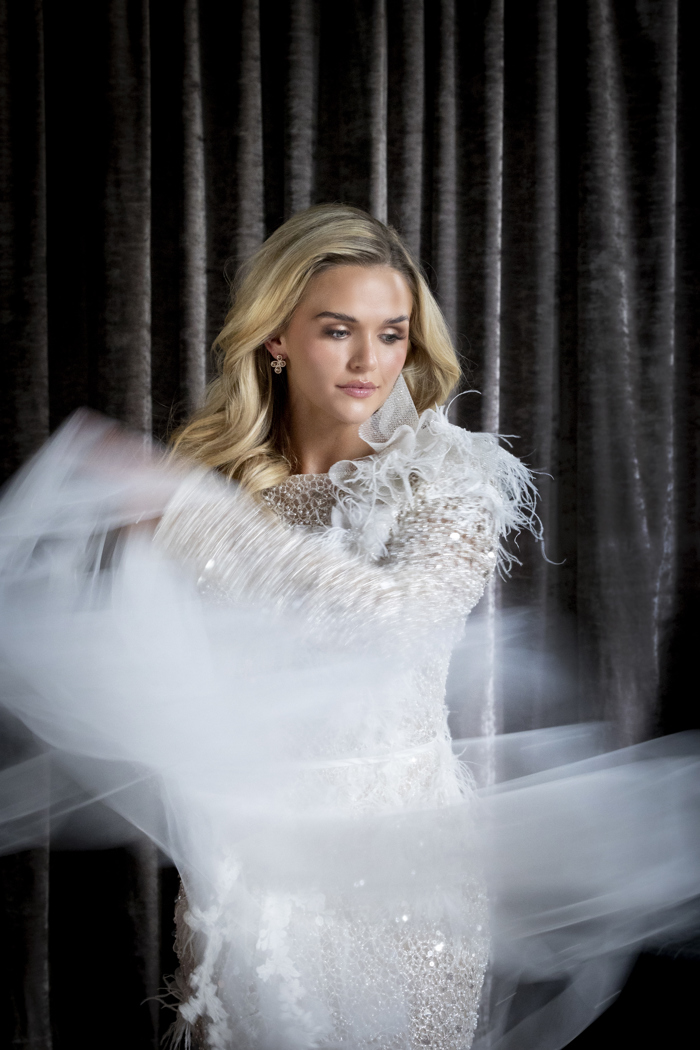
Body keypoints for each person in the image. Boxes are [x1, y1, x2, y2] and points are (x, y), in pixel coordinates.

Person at [0, 204, 698, 1050]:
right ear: (276, 339)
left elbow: (394, 620)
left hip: (403, 869)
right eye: (338, 330)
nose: (371, 360)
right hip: (250, 863)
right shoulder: (217, 482)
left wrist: (192, 518)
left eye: (392, 333)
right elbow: (178, 680)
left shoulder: (449, 477)